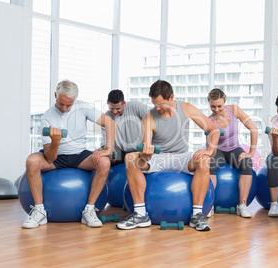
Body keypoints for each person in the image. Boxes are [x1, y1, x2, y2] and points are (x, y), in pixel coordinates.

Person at [116, 80, 220, 231]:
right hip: (159, 158)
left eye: (160, 104)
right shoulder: (149, 117)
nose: (157, 108)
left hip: (182, 156)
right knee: (130, 159)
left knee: (204, 160)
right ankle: (140, 215)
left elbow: (214, 130)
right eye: (154, 104)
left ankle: (197, 216)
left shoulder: (186, 108)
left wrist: (209, 151)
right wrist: (146, 154)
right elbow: (146, 152)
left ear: (171, 98)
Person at [22, 80, 116, 229]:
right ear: (55, 95)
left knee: (105, 162)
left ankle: (89, 211)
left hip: (79, 155)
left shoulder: (82, 107)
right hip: (55, 156)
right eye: (61, 104)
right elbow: (50, 157)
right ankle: (39, 212)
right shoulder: (47, 117)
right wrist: (56, 142)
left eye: (69, 105)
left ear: (74, 100)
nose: (64, 108)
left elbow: (110, 122)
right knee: (31, 161)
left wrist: (109, 148)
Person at [206, 88, 258, 218]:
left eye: (219, 106)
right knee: (210, 164)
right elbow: (210, 145)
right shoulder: (209, 120)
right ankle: (209, 206)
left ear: (225, 102)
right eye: (213, 106)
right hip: (218, 150)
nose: (216, 109)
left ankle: (242, 205)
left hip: (234, 149)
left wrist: (250, 153)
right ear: (209, 104)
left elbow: (253, 128)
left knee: (247, 162)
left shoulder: (234, 110)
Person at [101, 89, 149, 164]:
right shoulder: (106, 117)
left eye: (118, 108)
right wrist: (109, 149)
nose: (114, 112)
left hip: (139, 149)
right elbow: (106, 142)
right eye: (111, 108)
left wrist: (148, 140)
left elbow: (154, 118)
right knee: (107, 157)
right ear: (107, 102)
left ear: (124, 103)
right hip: (120, 151)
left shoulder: (135, 106)